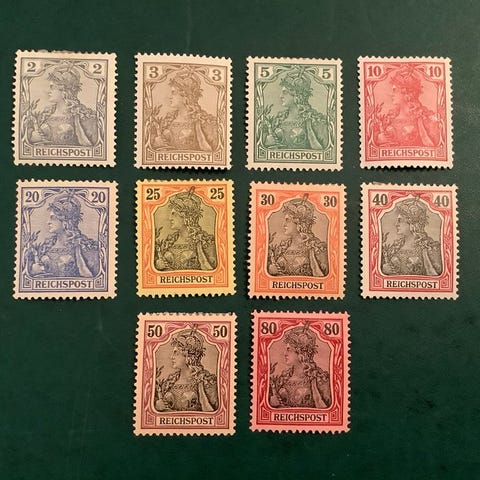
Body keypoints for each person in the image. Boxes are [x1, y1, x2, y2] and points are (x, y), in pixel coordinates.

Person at [28, 192, 99, 278]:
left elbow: (89, 278)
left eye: (53, 218)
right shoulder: (45, 247)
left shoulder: (82, 249)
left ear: (66, 222)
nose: (48, 222)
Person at [27, 63, 98, 146]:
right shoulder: (44, 116)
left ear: (64, 92)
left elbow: (93, 146)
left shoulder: (86, 119)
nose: (49, 91)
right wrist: (31, 137)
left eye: (52, 87)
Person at [261, 67, 328, 150]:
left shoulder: (316, 121)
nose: (281, 96)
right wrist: (267, 143)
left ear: (297, 96)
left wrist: (312, 138)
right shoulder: (278, 119)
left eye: (285, 92)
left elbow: (325, 151)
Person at [150, 70, 218, 151]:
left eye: (174, 92)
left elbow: (211, 152)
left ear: (185, 96)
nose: (170, 96)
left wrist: (201, 138)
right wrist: (157, 144)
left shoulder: (205, 123)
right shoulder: (167, 121)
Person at [373, 66, 440, 147]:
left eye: (395, 90)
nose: (392, 94)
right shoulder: (389, 120)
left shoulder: (425, 121)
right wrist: (379, 141)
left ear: (406, 93)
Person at [155, 327, 218, 412]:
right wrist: (157, 406)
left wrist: (201, 392)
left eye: (176, 353)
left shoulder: (207, 382)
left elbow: (212, 413)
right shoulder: (169, 382)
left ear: (188, 357)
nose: (172, 357)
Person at [269, 324, 331, 409]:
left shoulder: (320, 380)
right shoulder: (282, 379)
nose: (285, 354)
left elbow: (326, 411)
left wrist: (317, 399)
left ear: (301, 354)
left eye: (289, 349)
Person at [154, 187, 217, 271]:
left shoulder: (205, 242)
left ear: (186, 217)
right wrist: (158, 266)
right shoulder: (169, 242)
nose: (170, 218)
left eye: (174, 214)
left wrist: (202, 258)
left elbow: (211, 271)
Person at [268, 194, 328, 277]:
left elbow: (321, 278)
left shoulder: (316, 248)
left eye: (288, 220)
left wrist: (313, 262)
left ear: (299, 224)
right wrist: (271, 270)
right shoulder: (282, 247)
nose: (284, 224)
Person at [382, 197, 443, 276]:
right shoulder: (395, 246)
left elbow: (435, 277)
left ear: (412, 223)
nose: (396, 224)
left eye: (400, 220)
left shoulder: (430, 247)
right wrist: (384, 269)